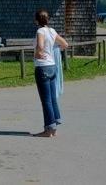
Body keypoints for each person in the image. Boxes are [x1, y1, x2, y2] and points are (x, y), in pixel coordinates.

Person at [32, 10, 69, 138]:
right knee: (52, 98)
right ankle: (54, 127)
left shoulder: (40, 31)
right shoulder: (52, 31)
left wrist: (37, 54)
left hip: (42, 68)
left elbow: (40, 47)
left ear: (37, 20)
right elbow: (65, 44)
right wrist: (54, 50)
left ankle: (48, 129)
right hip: (53, 67)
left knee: (46, 100)